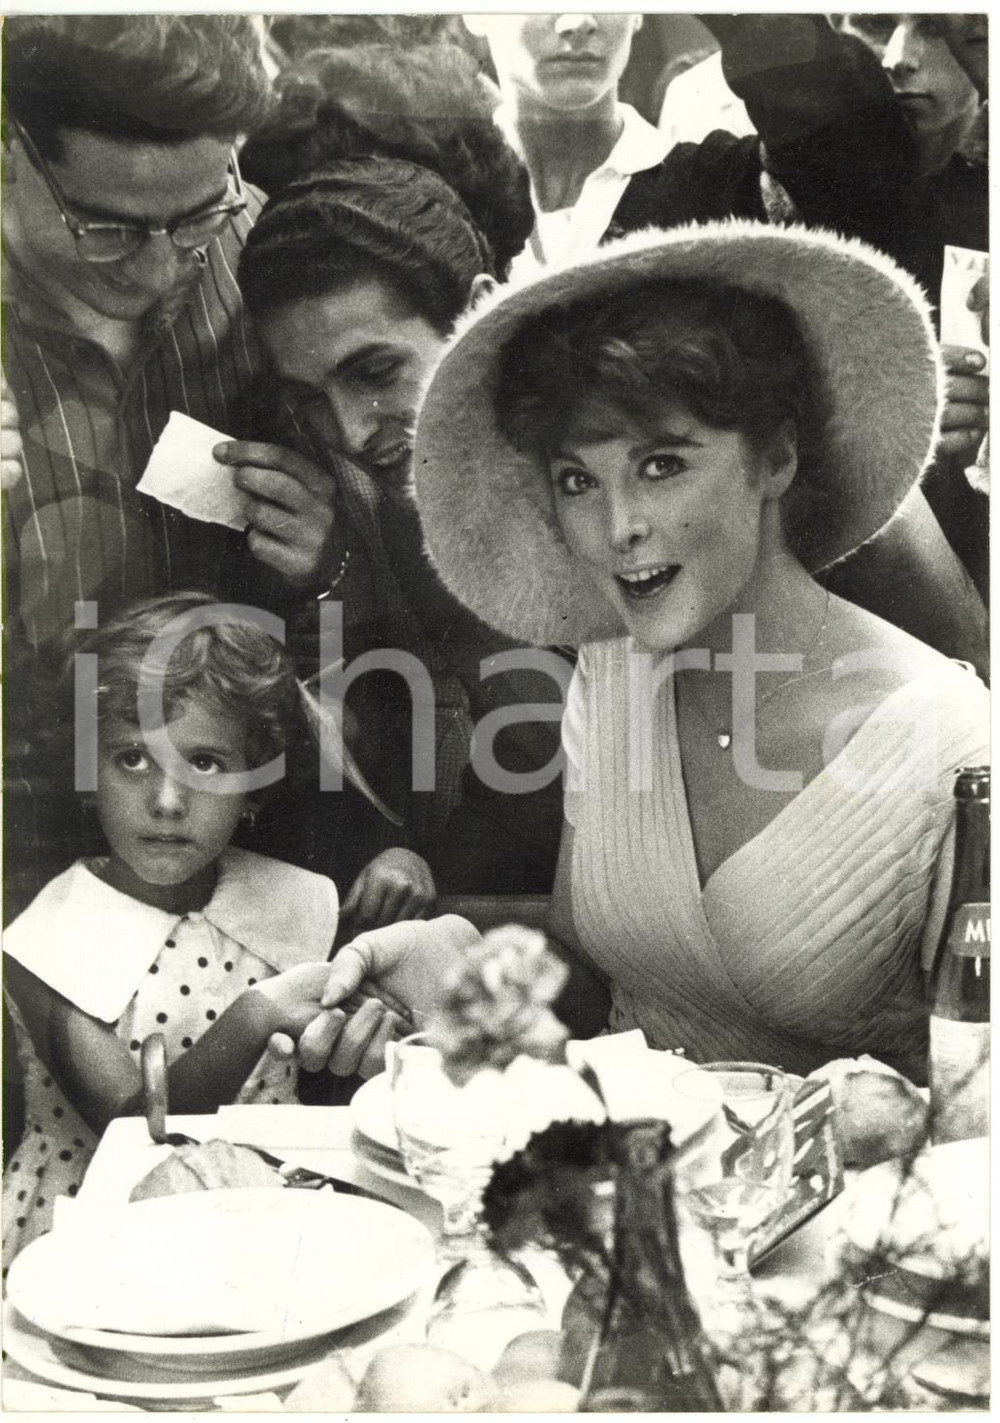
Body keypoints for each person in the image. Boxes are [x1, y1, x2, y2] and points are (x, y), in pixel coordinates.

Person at [319, 223, 989, 1085]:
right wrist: (449, 964)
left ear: (776, 457)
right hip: (620, 1182)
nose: (617, 525)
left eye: (662, 465)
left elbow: (979, 1132)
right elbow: (597, 984)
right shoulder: (612, 671)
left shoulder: (955, 746)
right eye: (577, 481)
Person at [459, 12, 988, 678]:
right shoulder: (453, 204)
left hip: (763, 660)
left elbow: (857, 157)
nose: (577, 21)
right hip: (545, 670)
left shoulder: (717, 188)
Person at [2, 17, 347, 921]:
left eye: (195, 214)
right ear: (12, 148)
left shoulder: (261, 251)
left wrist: (332, 550)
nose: (162, 266)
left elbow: (389, 573)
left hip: (240, 857)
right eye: (108, 229)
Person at [2, 593, 416, 1262]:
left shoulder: (289, 900)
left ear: (253, 786)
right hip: (94, 1238)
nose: (168, 802)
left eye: (204, 762)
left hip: (261, 1220)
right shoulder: (50, 936)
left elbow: (344, 1055)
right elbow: (133, 1126)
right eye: (132, 760)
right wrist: (253, 1016)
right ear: (86, 771)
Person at [236, 158, 567, 895]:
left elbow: (550, 758)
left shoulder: (617, 463)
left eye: (376, 373)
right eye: (310, 399)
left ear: (482, 313)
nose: (351, 431)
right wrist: (331, 582)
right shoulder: (364, 506)